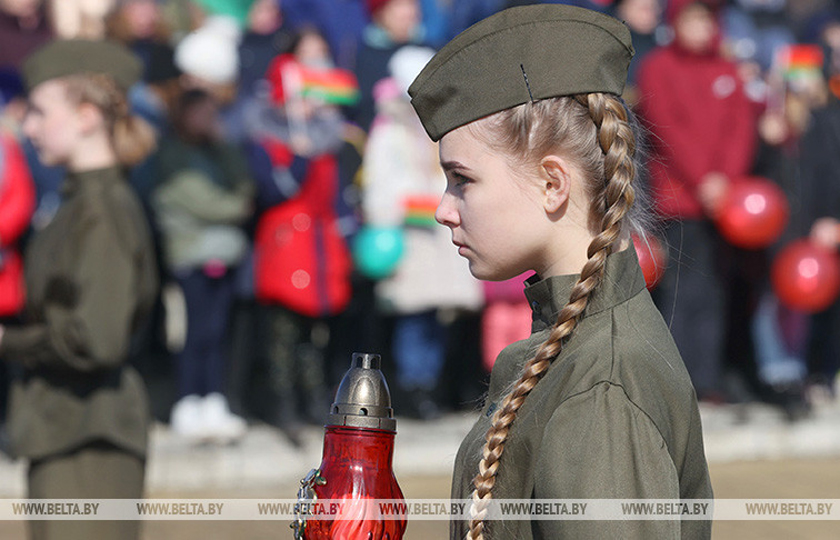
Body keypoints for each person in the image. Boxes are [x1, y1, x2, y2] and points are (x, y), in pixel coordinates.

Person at [407, 4, 713, 538]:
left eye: (462, 179)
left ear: (554, 183)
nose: (444, 208)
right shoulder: (580, 343)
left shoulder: (601, 391)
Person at [0, 39, 158, 540]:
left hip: (91, 436)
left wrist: (8, 342)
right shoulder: (77, 203)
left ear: (87, 116)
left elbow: (97, 339)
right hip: (65, 427)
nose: (28, 127)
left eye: (40, 112)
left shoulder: (102, 211)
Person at [636, 0, 759, 402]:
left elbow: (740, 128)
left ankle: (706, 380)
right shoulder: (658, 67)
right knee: (680, 293)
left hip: (724, 205)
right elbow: (666, 125)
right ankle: (675, 384)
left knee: (715, 292)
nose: (701, 27)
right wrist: (704, 180)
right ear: (676, 22)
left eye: (707, 18)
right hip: (678, 202)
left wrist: (726, 181)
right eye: (693, 18)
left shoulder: (726, 70)